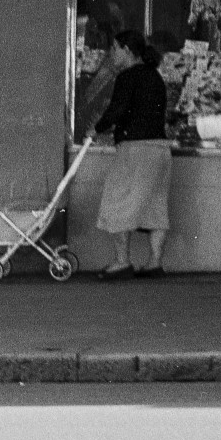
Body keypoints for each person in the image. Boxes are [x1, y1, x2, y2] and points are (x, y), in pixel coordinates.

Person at [93, 32, 172, 278]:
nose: (112, 54)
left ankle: (121, 261)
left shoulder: (128, 76)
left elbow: (117, 109)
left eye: (114, 49)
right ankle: (154, 263)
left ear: (126, 50)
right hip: (160, 149)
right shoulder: (155, 76)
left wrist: (96, 129)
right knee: (156, 206)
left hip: (135, 149)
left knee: (116, 201)